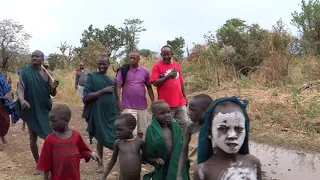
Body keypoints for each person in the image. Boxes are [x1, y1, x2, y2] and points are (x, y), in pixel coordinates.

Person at [194, 96, 262, 180]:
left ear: (245, 131)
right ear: (210, 132)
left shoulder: (253, 163)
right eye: (222, 129)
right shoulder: (204, 171)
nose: (232, 135)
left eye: (239, 128)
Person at [15, 50, 59, 175]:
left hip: (45, 109)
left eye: (37, 56)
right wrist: (22, 100)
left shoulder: (47, 74)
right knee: (32, 137)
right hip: (31, 109)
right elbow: (20, 88)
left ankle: (50, 163)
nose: (34, 58)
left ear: (42, 59)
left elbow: (52, 93)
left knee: (49, 136)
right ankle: (39, 164)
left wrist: (54, 87)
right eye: (32, 56)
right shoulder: (25, 72)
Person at [36, 104, 100, 180]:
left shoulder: (76, 136)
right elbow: (45, 162)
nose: (50, 124)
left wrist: (90, 154)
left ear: (66, 120)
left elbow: (82, 150)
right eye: (49, 121)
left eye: (54, 121)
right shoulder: (50, 139)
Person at [83, 55, 121, 173]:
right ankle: (100, 164)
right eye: (99, 64)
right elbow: (86, 97)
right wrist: (102, 91)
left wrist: (119, 112)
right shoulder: (91, 77)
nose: (101, 66)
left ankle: (121, 162)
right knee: (100, 137)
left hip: (112, 113)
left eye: (104, 64)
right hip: (98, 113)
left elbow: (117, 98)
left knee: (117, 137)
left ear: (108, 65)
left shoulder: (113, 80)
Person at [101, 113, 164, 180]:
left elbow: (147, 158)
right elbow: (112, 161)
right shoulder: (118, 143)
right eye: (116, 130)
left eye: (120, 130)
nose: (117, 132)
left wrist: (156, 160)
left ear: (130, 129)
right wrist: (104, 176)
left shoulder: (139, 143)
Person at [143, 100, 189, 180]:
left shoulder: (176, 127)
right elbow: (149, 150)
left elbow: (181, 144)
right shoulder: (151, 130)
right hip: (162, 165)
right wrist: (155, 159)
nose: (167, 115)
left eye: (168, 112)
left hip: (177, 162)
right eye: (162, 113)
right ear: (154, 115)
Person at [150, 45, 189, 132]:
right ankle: (170, 143)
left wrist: (185, 96)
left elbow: (181, 82)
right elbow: (154, 82)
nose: (166, 57)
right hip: (166, 104)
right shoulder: (157, 66)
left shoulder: (176, 65)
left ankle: (182, 143)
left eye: (168, 54)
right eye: (164, 55)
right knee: (167, 126)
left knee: (184, 123)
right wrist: (168, 76)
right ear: (161, 54)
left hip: (180, 101)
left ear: (172, 54)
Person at [117, 50, 154, 139]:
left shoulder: (144, 71)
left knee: (142, 132)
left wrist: (153, 101)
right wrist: (118, 102)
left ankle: (140, 150)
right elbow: (118, 87)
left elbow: (149, 86)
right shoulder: (123, 71)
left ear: (139, 59)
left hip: (142, 106)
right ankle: (131, 151)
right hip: (128, 106)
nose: (132, 60)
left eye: (134, 58)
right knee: (130, 132)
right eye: (130, 58)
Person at [177, 94, 213, 180]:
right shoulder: (191, 128)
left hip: (212, 174)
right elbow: (184, 151)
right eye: (189, 110)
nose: (189, 113)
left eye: (193, 110)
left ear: (207, 111)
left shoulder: (215, 128)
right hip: (194, 174)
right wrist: (179, 174)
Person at [0, 74, 14, 150]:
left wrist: (9, 84)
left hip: (4, 102)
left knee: (5, 121)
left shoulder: (2, 77)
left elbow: (7, 88)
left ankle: (2, 137)